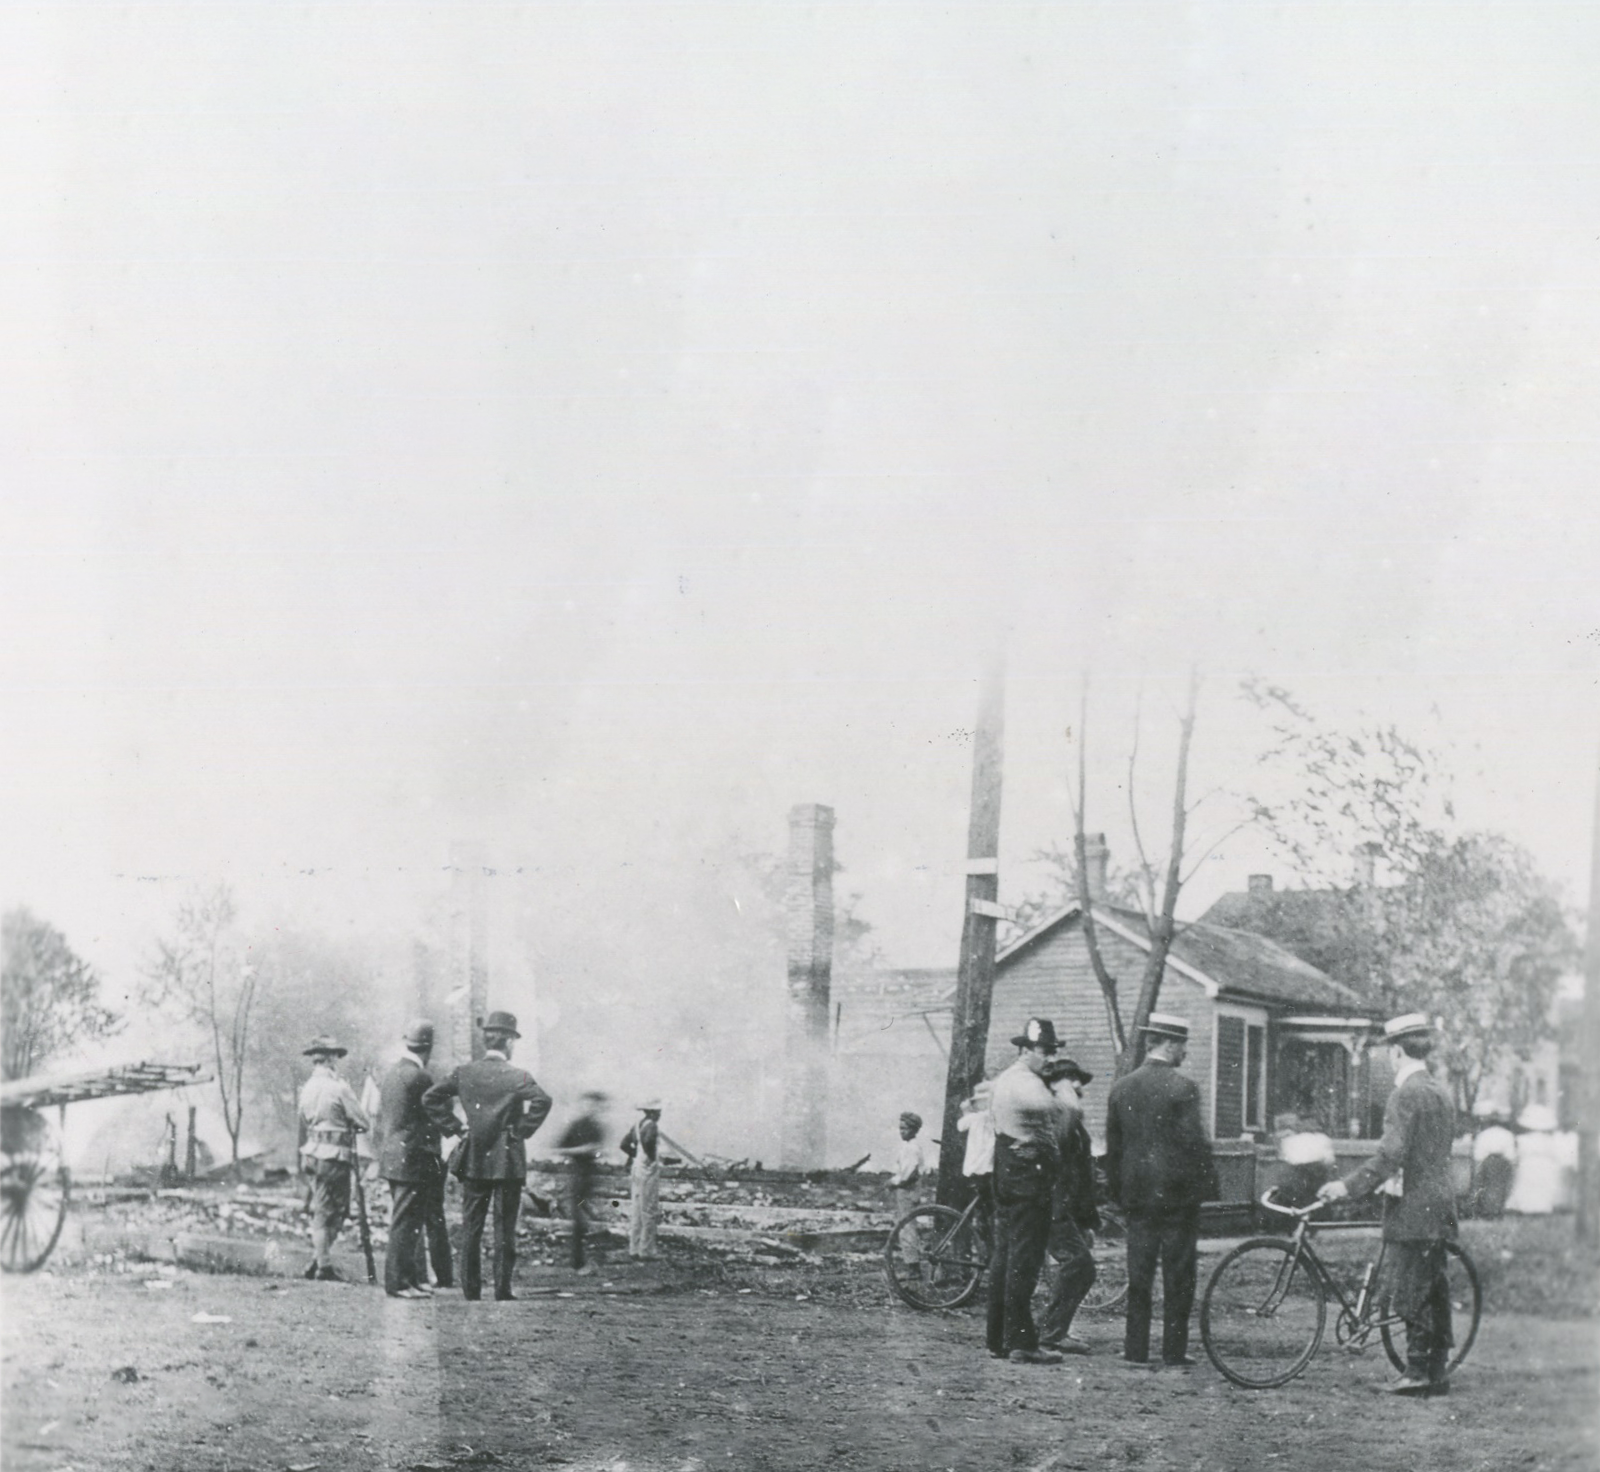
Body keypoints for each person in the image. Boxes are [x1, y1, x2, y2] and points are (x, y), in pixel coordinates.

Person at [1318, 1013, 1457, 1396]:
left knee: (1411, 1288)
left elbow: (1390, 1155)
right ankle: (1436, 1369)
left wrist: (1346, 1187)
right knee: (1433, 1285)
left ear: (1396, 1051)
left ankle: (1417, 1373)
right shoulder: (1438, 1090)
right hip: (1438, 1205)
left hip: (1413, 1208)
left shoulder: (1406, 1094)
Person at [1104, 1012, 1218, 1369]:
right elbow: (1194, 1145)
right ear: (1169, 1044)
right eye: (1183, 1045)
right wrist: (1206, 1189)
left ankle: (1135, 1348)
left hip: (1137, 1197)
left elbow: (1114, 1148)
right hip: (1177, 1198)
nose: (1185, 1053)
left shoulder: (1122, 1086)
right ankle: (1173, 1350)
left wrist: (1118, 1192)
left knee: (1138, 1273)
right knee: (1178, 1273)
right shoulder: (1183, 1088)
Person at [423, 1010, 552, 1301]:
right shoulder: (518, 1076)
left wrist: (455, 1128)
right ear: (507, 1042)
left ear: (487, 1042)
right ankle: (502, 1290)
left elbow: (430, 1097)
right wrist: (521, 1131)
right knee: (505, 1227)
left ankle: (471, 1291)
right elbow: (543, 1100)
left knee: (472, 1226)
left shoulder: (465, 1072)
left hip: (475, 1156)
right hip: (507, 1158)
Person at [985, 1017, 1067, 1365]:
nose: (1049, 1058)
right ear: (1024, 1050)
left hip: (1009, 1170)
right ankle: (1021, 1342)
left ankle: (999, 1338)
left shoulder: (1007, 1080)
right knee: (1024, 1260)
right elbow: (1061, 1108)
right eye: (1044, 1051)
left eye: (1052, 1051)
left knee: (1005, 1257)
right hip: (1027, 1178)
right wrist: (1060, 1081)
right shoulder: (1027, 1083)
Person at [376, 1018, 456, 1299]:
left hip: (394, 1157)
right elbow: (433, 1116)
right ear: (428, 1048)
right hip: (413, 1159)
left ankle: (410, 1280)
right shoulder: (420, 1077)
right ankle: (398, 1283)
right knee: (406, 1222)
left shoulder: (392, 1074)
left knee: (407, 1221)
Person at [297, 1034, 371, 1282]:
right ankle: (324, 1265)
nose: (337, 1062)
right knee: (333, 1211)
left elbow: (304, 1120)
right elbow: (363, 1122)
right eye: (335, 1058)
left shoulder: (306, 1088)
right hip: (334, 1157)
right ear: (329, 1060)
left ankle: (319, 1260)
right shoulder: (339, 1088)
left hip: (311, 1155)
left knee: (323, 1207)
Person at [1039, 1057, 1099, 1355]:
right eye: (1070, 1080)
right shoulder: (1059, 1115)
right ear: (1054, 1085)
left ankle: (1054, 1331)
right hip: (1052, 1206)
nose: (1078, 1086)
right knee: (1078, 1265)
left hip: (1065, 1207)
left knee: (1078, 1267)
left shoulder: (1069, 1117)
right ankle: (1050, 1334)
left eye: (1079, 1080)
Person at [554, 1091, 608, 1272]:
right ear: (584, 1105)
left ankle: (586, 1257)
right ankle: (578, 1260)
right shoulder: (576, 1124)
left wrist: (592, 1150)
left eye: (596, 1105)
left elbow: (598, 1149)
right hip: (577, 1173)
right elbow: (560, 1147)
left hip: (590, 1174)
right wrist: (582, 1150)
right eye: (590, 1104)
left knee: (585, 1215)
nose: (593, 1108)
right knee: (579, 1217)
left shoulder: (597, 1127)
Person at [620, 1100, 663, 1259]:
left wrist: (636, 1156)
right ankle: (647, 1251)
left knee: (637, 1209)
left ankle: (634, 1248)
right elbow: (648, 1141)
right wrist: (651, 1158)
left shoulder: (637, 1125)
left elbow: (624, 1144)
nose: (659, 1115)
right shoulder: (652, 1125)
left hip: (637, 1168)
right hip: (647, 1170)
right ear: (652, 1112)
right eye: (658, 1112)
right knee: (649, 1210)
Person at [956, 1083, 996, 1246]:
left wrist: (965, 1111)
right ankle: (989, 1248)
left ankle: (987, 1248)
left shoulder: (975, 1117)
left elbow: (960, 1126)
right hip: (986, 1169)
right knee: (990, 1212)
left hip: (974, 1170)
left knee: (983, 1212)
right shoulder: (990, 1117)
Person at [1469, 1102, 1517, 1220]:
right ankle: (1497, 1211)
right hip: (1502, 1161)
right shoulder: (1508, 1134)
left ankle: (1488, 1211)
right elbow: (1511, 1156)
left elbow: (1478, 1156)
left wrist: (1478, 1170)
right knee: (1500, 1186)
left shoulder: (1483, 1135)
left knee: (1488, 1186)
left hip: (1488, 1161)